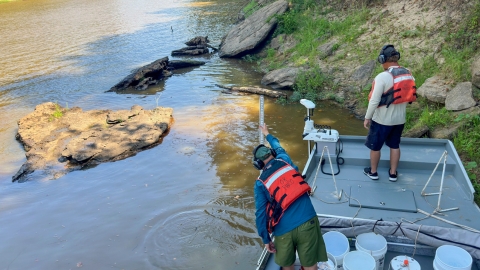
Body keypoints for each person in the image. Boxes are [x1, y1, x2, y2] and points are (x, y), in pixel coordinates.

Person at [253, 123, 328, 270]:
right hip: (308, 221)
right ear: (273, 154)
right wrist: (267, 133)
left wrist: (266, 238)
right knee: (310, 265)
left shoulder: (260, 183)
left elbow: (260, 214)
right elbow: (277, 144)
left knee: (287, 266)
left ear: (258, 164)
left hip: (283, 231)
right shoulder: (284, 159)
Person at [363, 44, 416, 182]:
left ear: (383, 59)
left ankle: (373, 172)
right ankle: (393, 174)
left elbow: (374, 101)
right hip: (400, 120)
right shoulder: (408, 74)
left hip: (382, 120)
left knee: (375, 146)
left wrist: (367, 117)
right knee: (394, 145)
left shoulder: (382, 77)